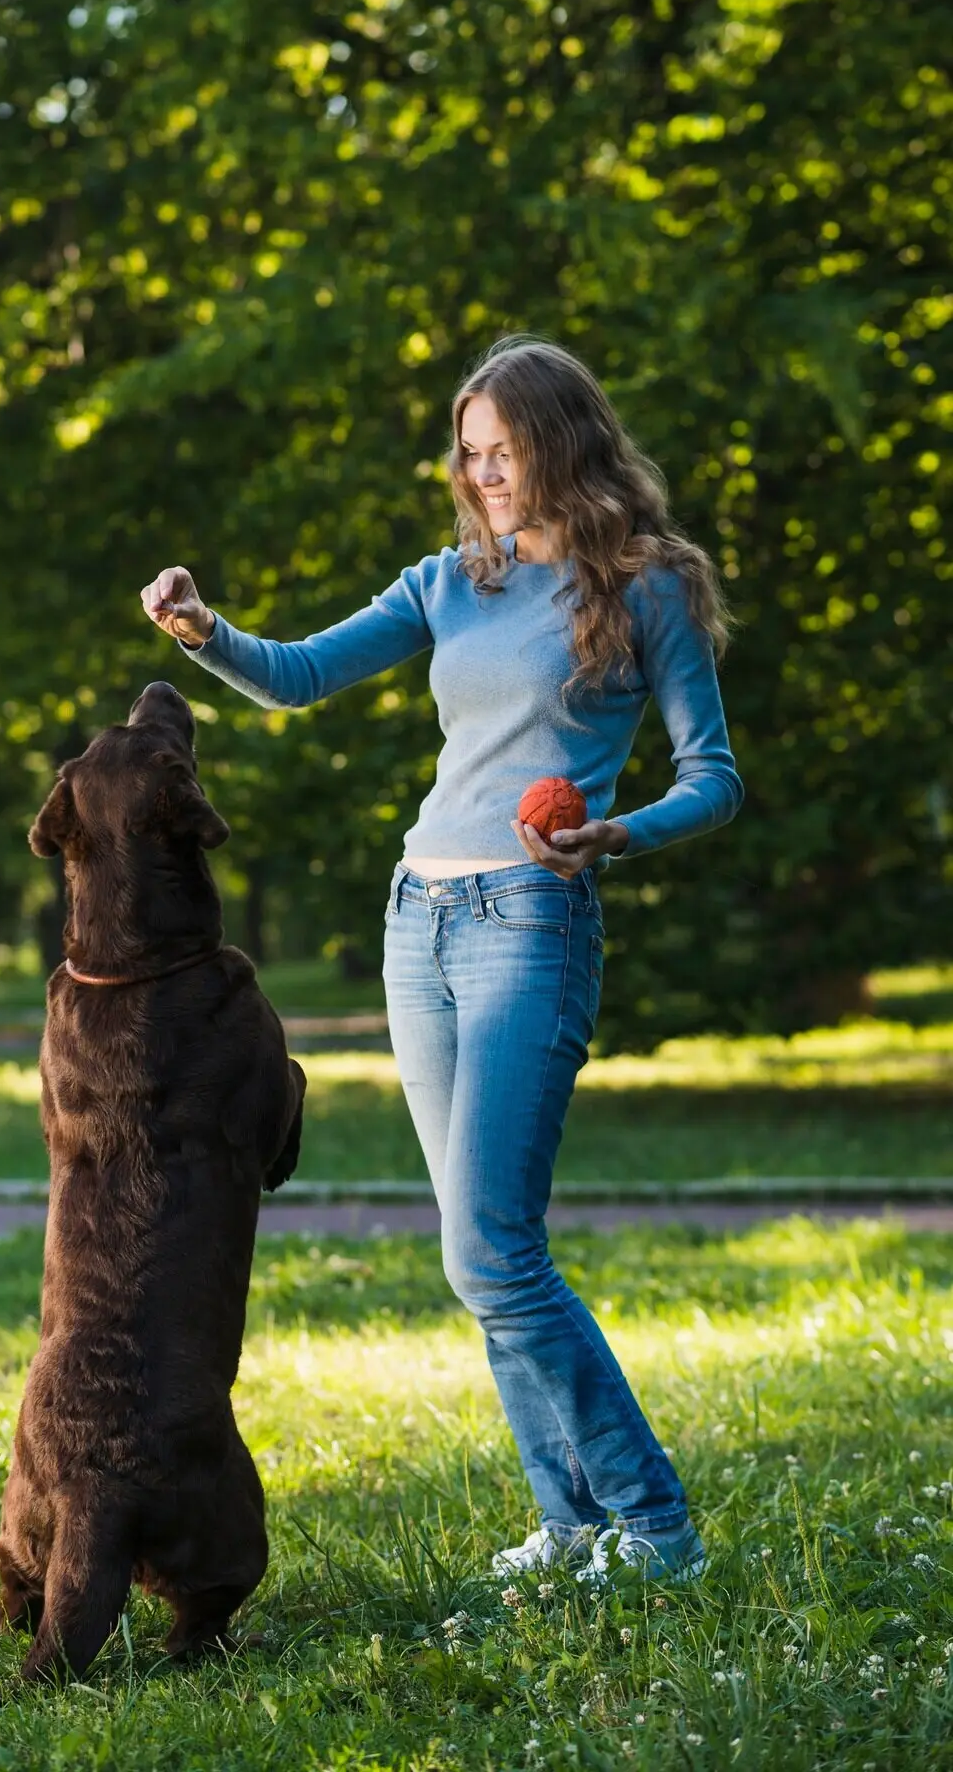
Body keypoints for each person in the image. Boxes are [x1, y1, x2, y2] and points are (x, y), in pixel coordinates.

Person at [140, 334, 743, 1585]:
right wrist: (208, 631)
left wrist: (612, 831)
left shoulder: (647, 586)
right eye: (467, 456)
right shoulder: (446, 581)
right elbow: (301, 674)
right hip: (420, 920)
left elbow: (714, 779)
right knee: (482, 1248)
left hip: (536, 913)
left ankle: (659, 1528)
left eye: (501, 451)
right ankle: (573, 1524)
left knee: (492, 1250)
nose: (482, 476)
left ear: (560, 441)